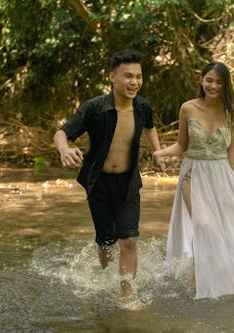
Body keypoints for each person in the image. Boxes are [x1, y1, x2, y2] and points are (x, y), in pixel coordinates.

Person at [54, 50, 164, 298]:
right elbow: (62, 133)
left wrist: (158, 153)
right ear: (112, 77)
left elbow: (150, 127)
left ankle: (127, 296)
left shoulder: (142, 106)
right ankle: (105, 278)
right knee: (106, 241)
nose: (134, 82)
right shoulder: (93, 108)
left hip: (128, 182)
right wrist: (64, 149)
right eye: (128, 76)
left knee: (129, 240)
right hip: (98, 183)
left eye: (138, 76)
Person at [153, 61, 234, 299]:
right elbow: (182, 145)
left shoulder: (232, 111)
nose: (213, 86)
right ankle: (198, 274)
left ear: (226, 85)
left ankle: (224, 272)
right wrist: (160, 152)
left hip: (221, 176)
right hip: (193, 173)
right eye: (209, 80)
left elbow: (233, 155)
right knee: (203, 224)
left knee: (228, 226)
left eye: (219, 82)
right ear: (201, 81)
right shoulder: (188, 108)